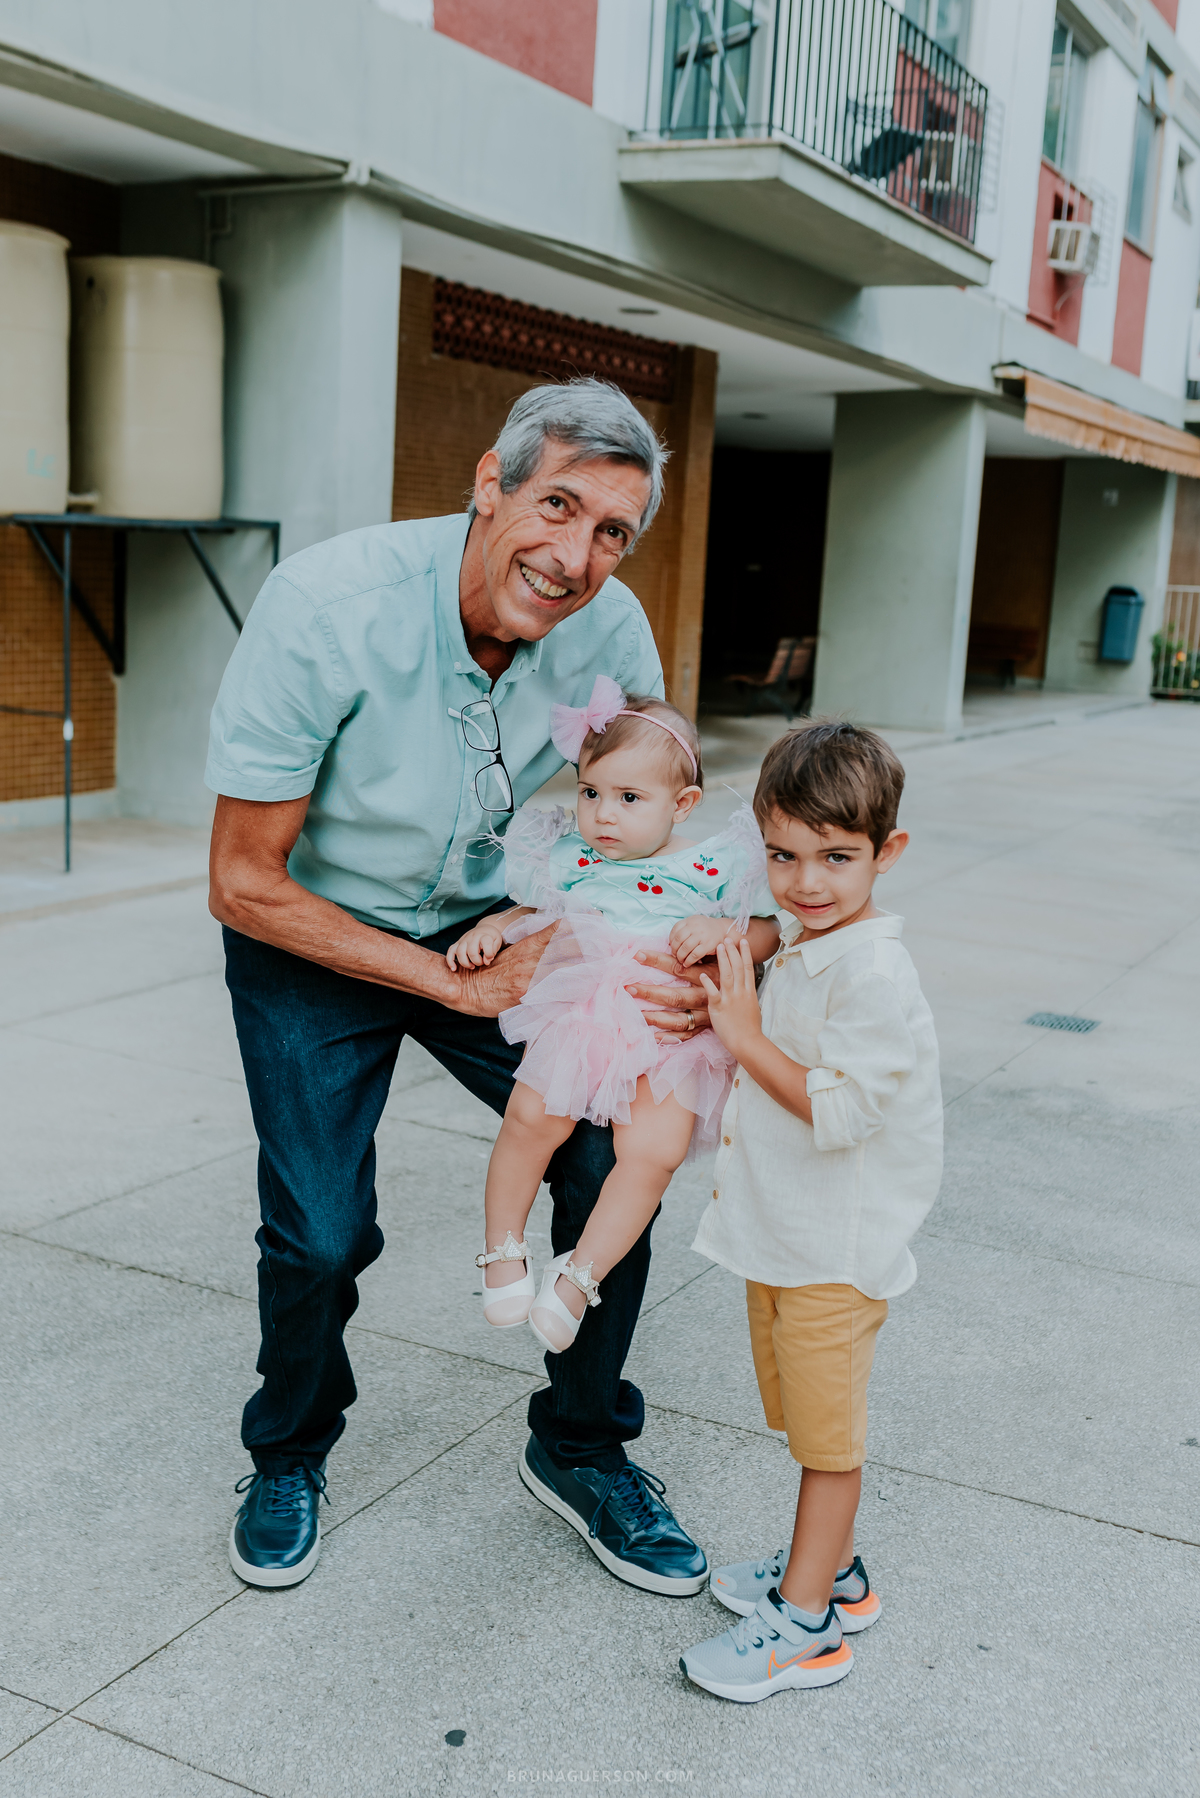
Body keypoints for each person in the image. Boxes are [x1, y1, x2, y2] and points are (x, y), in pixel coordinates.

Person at [206, 378, 716, 1596]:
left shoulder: (609, 633)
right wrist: (438, 977)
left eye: (612, 532)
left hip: (500, 928)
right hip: (314, 934)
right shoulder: (329, 609)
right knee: (320, 1235)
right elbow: (240, 880)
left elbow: (641, 814)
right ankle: (288, 1448)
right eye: (557, 505)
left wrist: (672, 943)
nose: (576, 555)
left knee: (608, 1167)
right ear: (490, 481)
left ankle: (583, 1445)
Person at [677, 721, 943, 1701]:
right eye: (783, 857)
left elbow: (843, 1106)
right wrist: (733, 935)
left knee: (828, 1447)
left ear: (887, 854)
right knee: (800, 1422)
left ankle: (807, 1624)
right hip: (782, 1237)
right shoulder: (808, 935)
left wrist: (743, 1037)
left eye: (837, 857)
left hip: (835, 1253)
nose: (806, 883)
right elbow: (773, 930)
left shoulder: (874, 972)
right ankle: (836, 1570)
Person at [445, 677, 780, 1354]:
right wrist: (495, 927)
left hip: (669, 1037)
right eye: (591, 792)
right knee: (532, 1120)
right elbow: (540, 910)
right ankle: (503, 1246)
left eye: (630, 799)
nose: (603, 815)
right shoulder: (574, 856)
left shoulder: (711, 869)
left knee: (653, 1154)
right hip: (587, 1019)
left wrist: (725, 936)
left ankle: (580, 1274)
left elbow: (769, 929)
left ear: (681, 805)